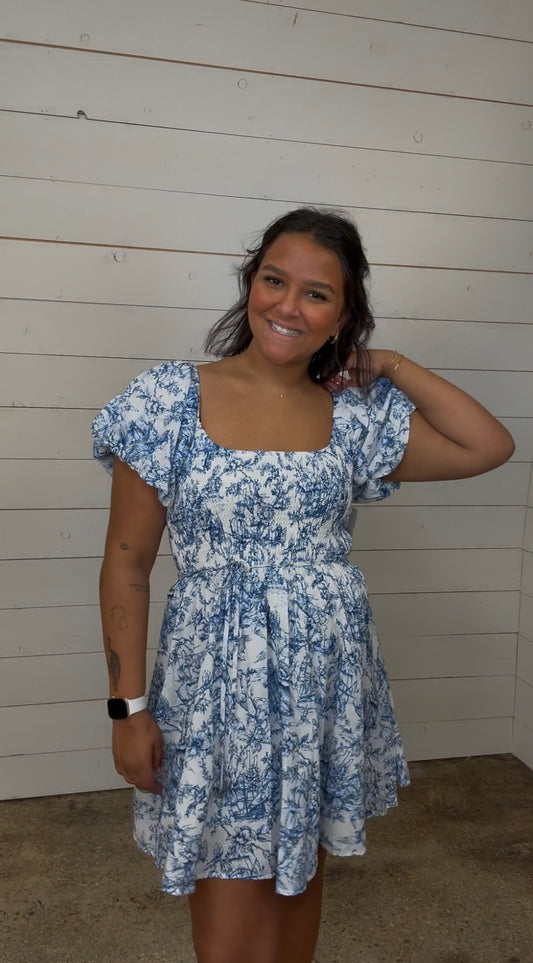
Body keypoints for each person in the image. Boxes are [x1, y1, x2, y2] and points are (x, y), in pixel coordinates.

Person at [92, 207, 514, 963]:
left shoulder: (352, 416)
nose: (287, 306)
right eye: (274, 280)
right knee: (228, 895)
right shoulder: (166, 401)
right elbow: (126, 559)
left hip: (320, 684)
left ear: (343, 315)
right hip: (216, 689)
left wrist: (388, 364)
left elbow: (486, 444)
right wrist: (128, 708)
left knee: (295, 872)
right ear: (251, 282)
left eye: (317, 294)